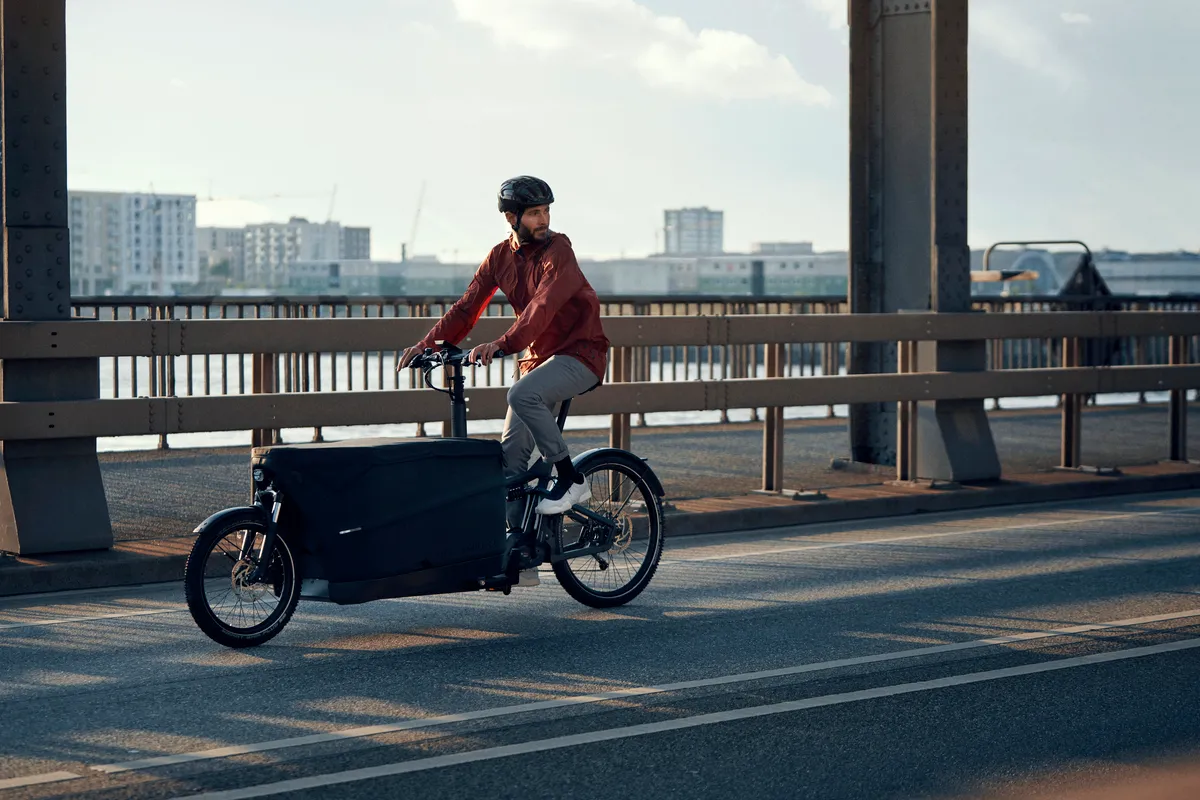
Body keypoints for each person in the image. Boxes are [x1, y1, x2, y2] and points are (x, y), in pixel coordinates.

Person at [397, 175, 610, 540]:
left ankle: (571, 479)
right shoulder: (499, 256)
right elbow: (466, 309)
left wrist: (502, 343)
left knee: (522, 395)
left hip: (580, 352)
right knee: (510, 463)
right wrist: (428, 345)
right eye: (533, 214)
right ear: (511, 218)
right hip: (536, 360)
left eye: (546, 212)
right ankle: (518, 549)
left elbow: (543, 305)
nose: (543, 220)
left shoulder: (559, 250)